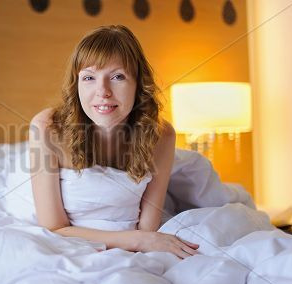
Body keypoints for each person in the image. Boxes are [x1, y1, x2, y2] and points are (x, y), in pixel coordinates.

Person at [29, 25, 199, 259]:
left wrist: (142, 238)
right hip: (70, 242)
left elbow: (147, 228)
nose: (103, 91)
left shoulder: (162, 135)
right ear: (76, 84)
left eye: (117, 77)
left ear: (138, 83)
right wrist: (137, 239)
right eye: (89, 77)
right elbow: (54, 228)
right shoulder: (47, 128)